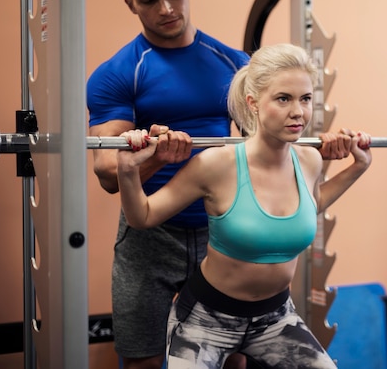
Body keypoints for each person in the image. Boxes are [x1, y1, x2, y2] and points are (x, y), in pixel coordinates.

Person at [116, 43, 373, 368]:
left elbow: (311, 203)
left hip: (276, 318)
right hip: (206, 320)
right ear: (253, 103)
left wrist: (358, 167)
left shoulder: (308, 160)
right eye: (284, 99)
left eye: (305, 99)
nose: (299, 112)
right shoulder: (216, 164)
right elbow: (143, 216)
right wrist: (127, 171)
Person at [86, 0, 251, 368]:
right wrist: (157, 158)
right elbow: (107, 174)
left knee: (230, 359)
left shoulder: (236, 65)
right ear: (130, 3)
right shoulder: (117, 74)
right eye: (148, 0)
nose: (165, 9)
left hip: (222, 226)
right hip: (150, 234)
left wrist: (333, 149)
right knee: (142, 358)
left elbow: (267, 150)